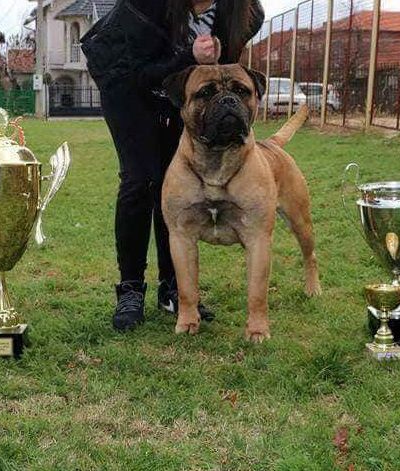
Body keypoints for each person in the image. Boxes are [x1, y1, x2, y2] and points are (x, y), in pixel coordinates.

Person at [82, 0, 265, 331]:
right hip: (126, 86)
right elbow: (137, 74)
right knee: (140, 180)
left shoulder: (246, 14)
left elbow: (219, 73)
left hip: (183, 98)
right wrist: (189, 57)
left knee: (174, 184)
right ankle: (131, 289)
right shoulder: (148, 5)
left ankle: (174, 290)